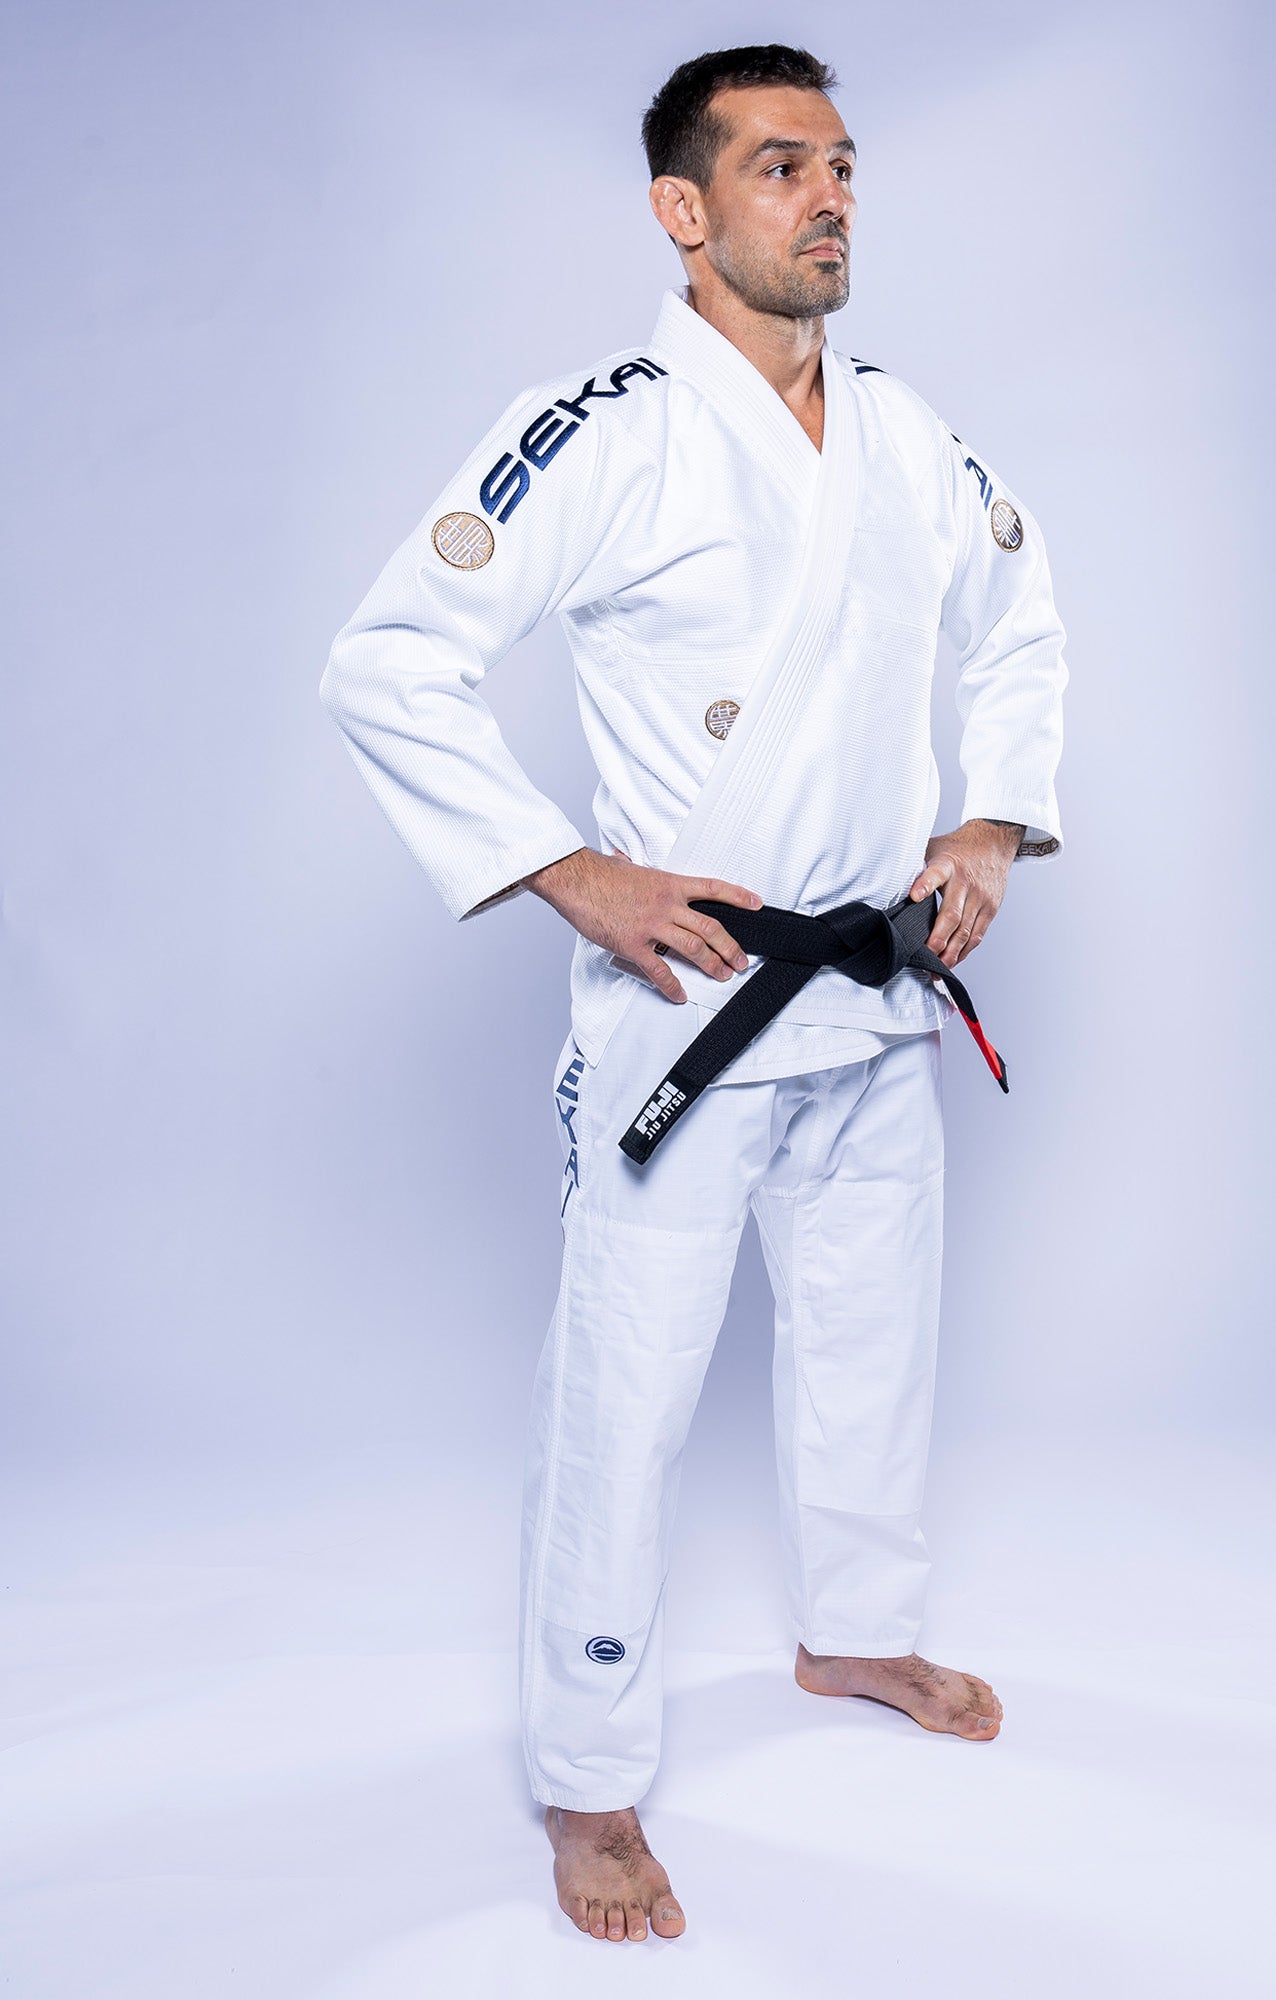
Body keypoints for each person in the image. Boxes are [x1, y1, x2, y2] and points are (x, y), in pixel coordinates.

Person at [320, 42, 1067, 1946]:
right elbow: (389, 660)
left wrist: (987, 823)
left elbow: (1021, 612)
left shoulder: (905, 431)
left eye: (839, 166)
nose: (825, 200)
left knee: (875, 1333)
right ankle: (588, 1780)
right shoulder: (608, 425)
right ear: (682, 210)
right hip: (689, 1006)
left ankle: (861, 1637)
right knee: (625, 1399)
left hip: (877, 988)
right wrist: (572, 870)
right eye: (775, 168)